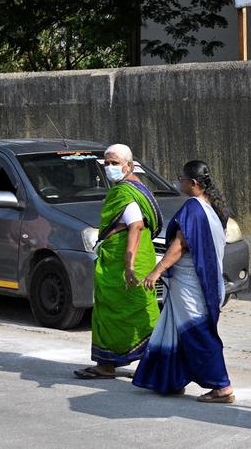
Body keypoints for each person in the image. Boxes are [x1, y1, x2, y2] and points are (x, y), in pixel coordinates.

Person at [134, 160, 235, 402]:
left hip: (191, 283)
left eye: (181, 179)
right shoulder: (213, 207)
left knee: (197, 332)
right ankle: (171, 379)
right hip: (206, 281)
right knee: (176, 329)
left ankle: (221, 386)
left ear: (193, 183)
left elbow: (180, 244)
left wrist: (157, 271)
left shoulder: (193, 207)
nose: (178, 182)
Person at [74, 144, 162, 379]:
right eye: (107, 163)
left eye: (115, 163)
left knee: (128, 311)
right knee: (122, 310)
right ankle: (111, 364)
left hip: (126, 262)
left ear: (129, 166)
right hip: (127, 258)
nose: (109, 167)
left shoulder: (125, 192)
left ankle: (121, 365)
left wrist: (129, 264)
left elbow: (137, 225)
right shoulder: (134, 188)